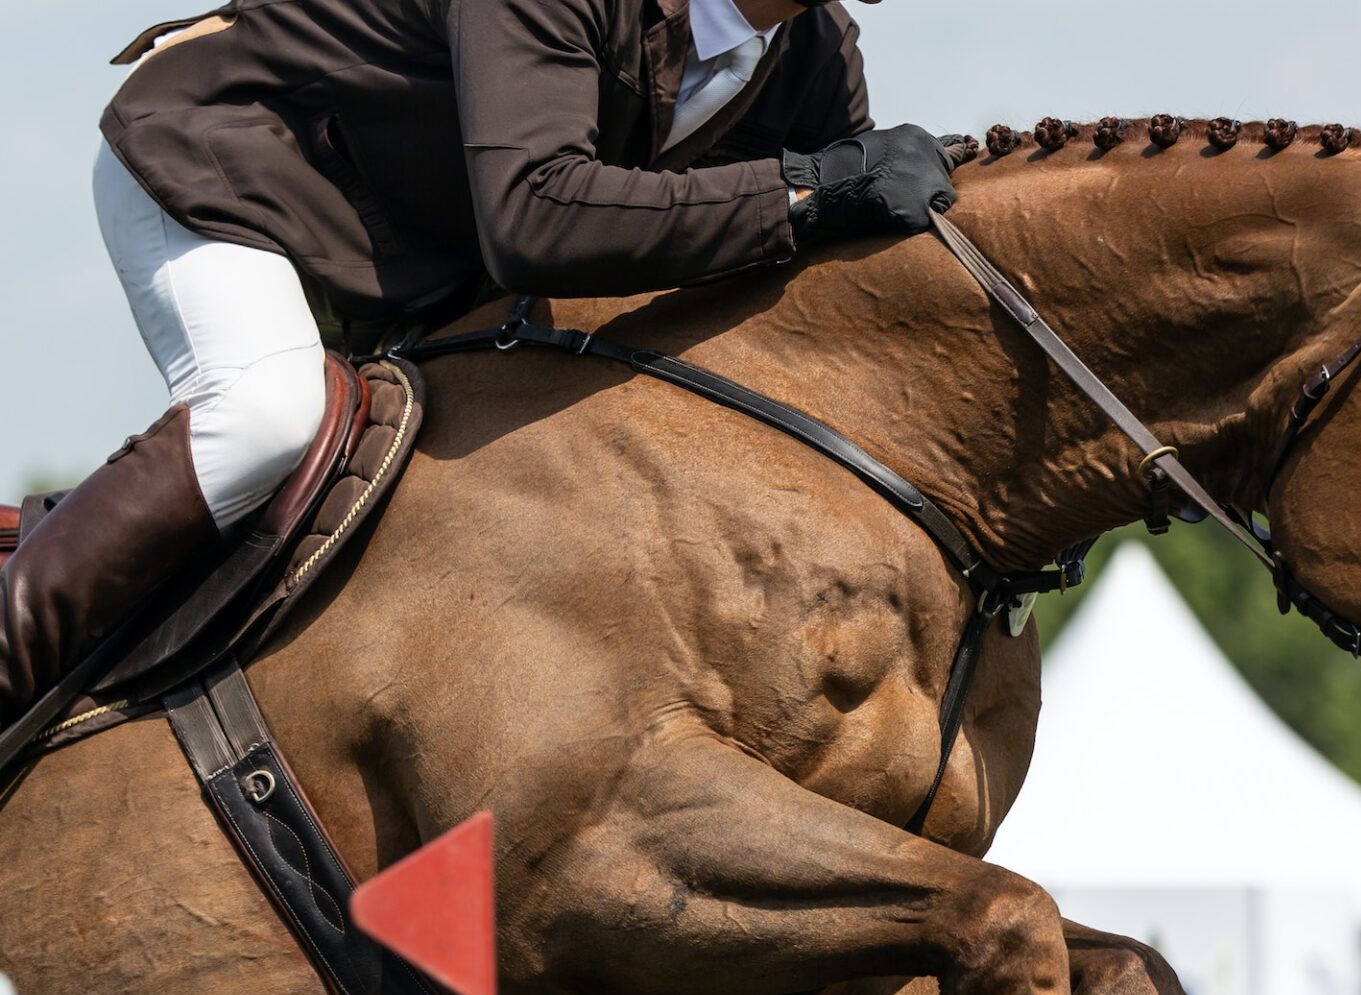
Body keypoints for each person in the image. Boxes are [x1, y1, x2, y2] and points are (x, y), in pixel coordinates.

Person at [0, 0, 958, 731]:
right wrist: (804, 190)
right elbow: (537, 215)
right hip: (228, 168)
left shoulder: (814, 53)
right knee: (266, 412)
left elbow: (786, 282)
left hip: (419, 250)